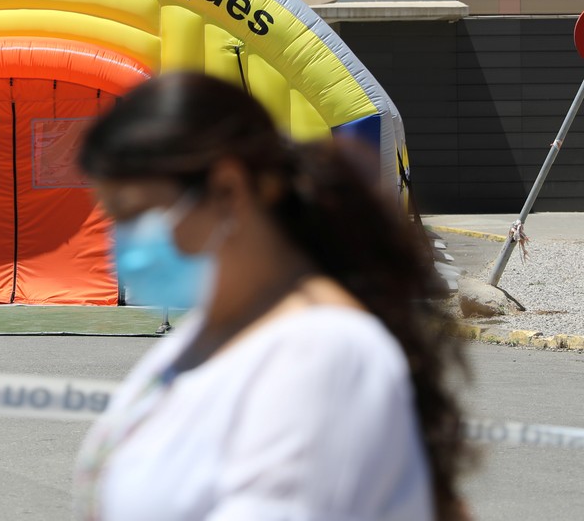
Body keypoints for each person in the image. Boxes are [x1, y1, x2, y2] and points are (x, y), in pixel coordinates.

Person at [72, 73, 470, 521]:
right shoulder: (212, 331)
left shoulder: (322, 356)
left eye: (136, 214)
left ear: (229, 190)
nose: (124, 243)